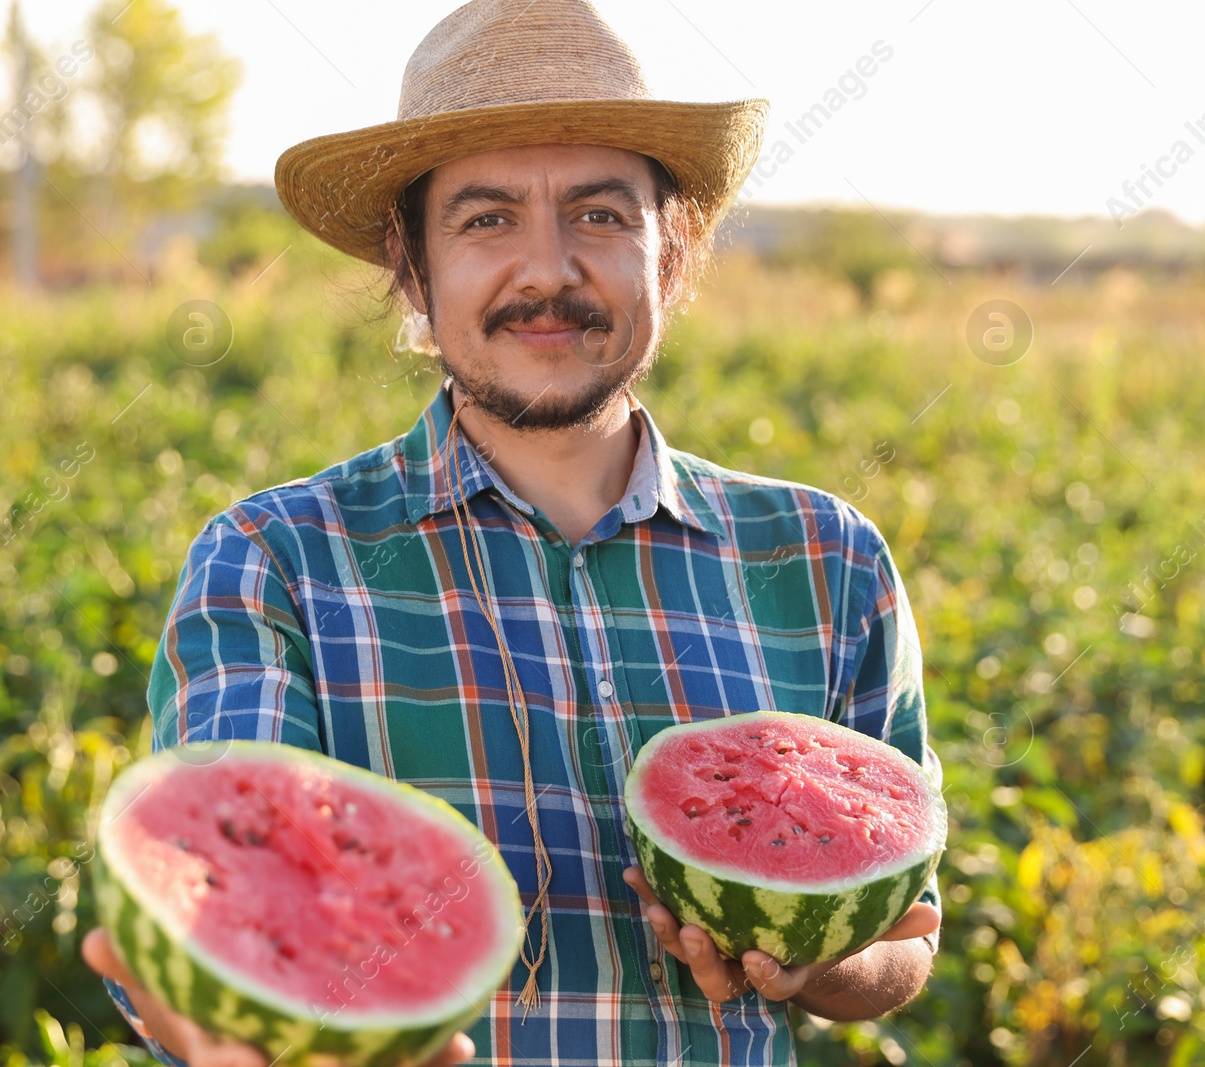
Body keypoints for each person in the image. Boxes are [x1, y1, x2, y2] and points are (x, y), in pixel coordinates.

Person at [83, 1, 942, 1065]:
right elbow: (211, 912)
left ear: (669, 254)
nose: (546, 271)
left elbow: (907, 934)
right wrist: (221, 1010)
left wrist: (817, 960)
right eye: (487, 220)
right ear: (411, 264)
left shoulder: (825, 557)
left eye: (598, 216)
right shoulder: (274, 560)